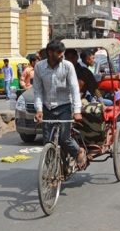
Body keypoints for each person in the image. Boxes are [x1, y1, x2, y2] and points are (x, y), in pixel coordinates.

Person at [33, 40, 86, 169]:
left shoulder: (67, 66)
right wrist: (39, 110)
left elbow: (74, 88)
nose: (62, 55)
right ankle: (51, 173)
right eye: (59, 52)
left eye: (63, 52)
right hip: (47, 108)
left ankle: (78, 151)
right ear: (50, 53)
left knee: (64, 138)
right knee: (47, 143)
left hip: (64, 107)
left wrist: (77, 110)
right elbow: (38, 90)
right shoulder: (39, 67)